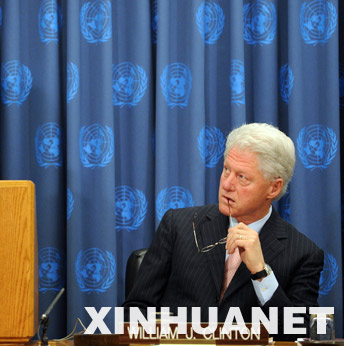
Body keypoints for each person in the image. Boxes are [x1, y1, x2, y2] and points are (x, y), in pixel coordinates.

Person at [123, 123, 324, 340]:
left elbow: (300, 334)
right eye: (227, 169)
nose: (227, 184)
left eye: (242, 177)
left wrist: (261, 273)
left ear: (273, 188)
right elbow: (135, 310)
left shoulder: (303, 253)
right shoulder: (178, 226)